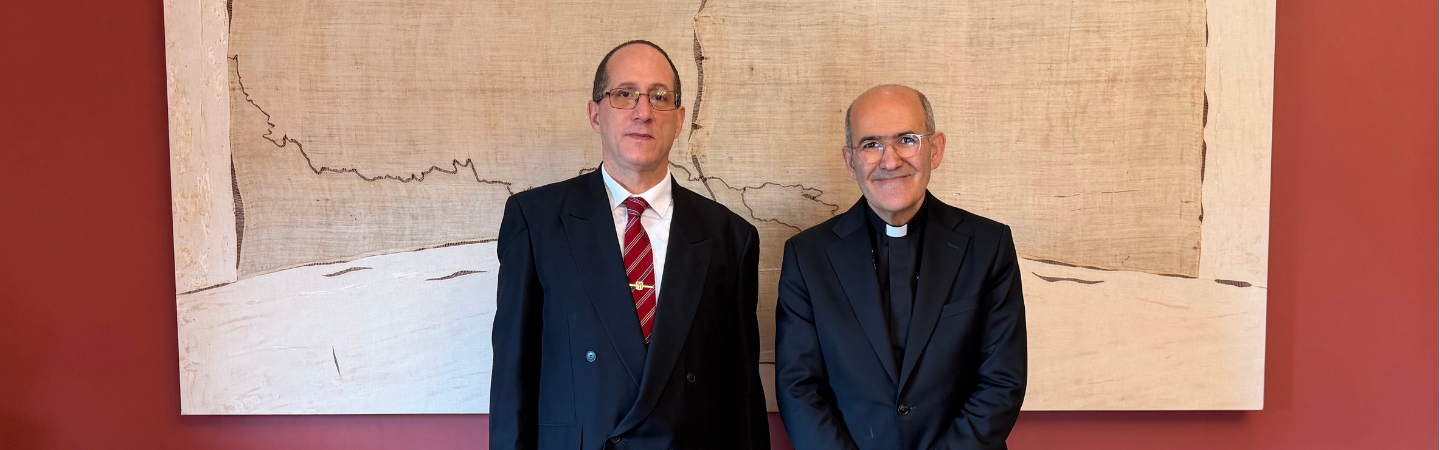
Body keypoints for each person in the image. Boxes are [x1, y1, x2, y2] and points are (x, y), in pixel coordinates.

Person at [490, 40, 769, 450]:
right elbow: (512, 378)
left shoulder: (731, 237)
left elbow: (742, 395)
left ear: (679, 119)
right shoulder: (536, 222)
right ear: (595, 114)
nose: (643, 112)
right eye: (624, 94)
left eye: (659, 97)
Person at [774, 85, 1027, 450]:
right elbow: (799, 388)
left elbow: (1001, 382)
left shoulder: (989, 246)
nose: (890, 161)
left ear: (935, 150)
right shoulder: (807, 256)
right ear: (850, 161)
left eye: (907, 140)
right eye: (870, 145)